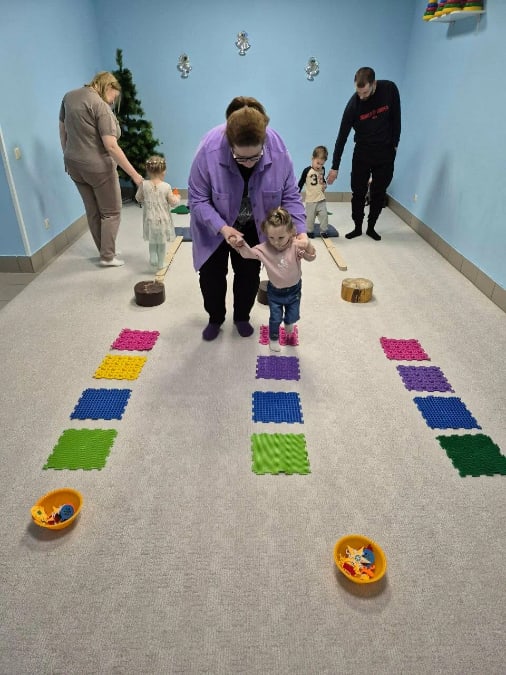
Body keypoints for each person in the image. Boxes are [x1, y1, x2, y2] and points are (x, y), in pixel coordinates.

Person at [188, 96, 307, 341]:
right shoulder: (209, 150)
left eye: (255, 157)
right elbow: (197, 199)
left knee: (249, 275)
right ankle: (215, 318)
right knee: (211, 276)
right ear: (229, 144)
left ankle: (242, 316)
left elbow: (290, 194)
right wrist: (223, 228)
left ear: (264, 143)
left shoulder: (278, 150)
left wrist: (301, 231)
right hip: (214, 225)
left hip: (255, 223)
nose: (249, 164)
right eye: (241, 158)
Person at [59, 71, 144, 266]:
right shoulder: (100, 106)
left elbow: (63, 130)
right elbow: (111, 146)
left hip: (73, 164)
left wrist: (66, 154)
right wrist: (136, 176)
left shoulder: (69, 97)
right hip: (98, 167)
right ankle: (108, 257)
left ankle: (105, 250)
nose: (113, 101)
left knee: (93, 211)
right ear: (108, 86)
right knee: (111, 212)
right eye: (114, 96)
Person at [327, 67, 401, 241]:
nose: (361, 96)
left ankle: (371, 227)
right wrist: (335, 167)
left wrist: (395, 146)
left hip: (385, 152)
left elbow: (396, 118)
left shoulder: (389, 89)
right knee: (358, 192)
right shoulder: (353, 105)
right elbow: (341, 137)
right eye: (358, 92)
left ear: (374, 83)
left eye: (365, 92)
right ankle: (358, 227)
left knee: (379, 192)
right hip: (362, 152)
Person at [230, 207, 316, 352]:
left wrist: (307, 245)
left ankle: (289, 322)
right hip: (275, 292)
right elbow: (247, 254)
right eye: (271, 238)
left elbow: (311, 257)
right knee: (275, 318)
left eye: (281, 238)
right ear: (266, 234)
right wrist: (240, 244)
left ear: (291, 232)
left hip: (294, 290)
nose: (276, 242)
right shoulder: (264, 248)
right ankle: (274, 339)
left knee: (293, 315)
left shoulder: (295, 245)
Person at [135, 156, 180, 270]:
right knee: (161, 242)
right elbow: (173, 203)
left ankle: (153, 258)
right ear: (163, 171)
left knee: (152, 240)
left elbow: (138, 198)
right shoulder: (166, 187)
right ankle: (160, 263)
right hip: (162, 220)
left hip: (149, 219)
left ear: (148, 170)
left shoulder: (144, 185)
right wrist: (177, 197)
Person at [298, 145, 330, 239]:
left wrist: (324, 184)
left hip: (321, 198)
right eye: (318, 163)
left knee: (324, 215)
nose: (319, 166)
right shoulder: (307, 171)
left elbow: (322, 179)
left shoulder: (322, 170)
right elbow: (301, 182)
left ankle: (323, 231)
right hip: (311, 200)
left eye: (322, 164)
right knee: (310, 218)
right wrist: (296, 193)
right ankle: (309, 231)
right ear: (312, 159)